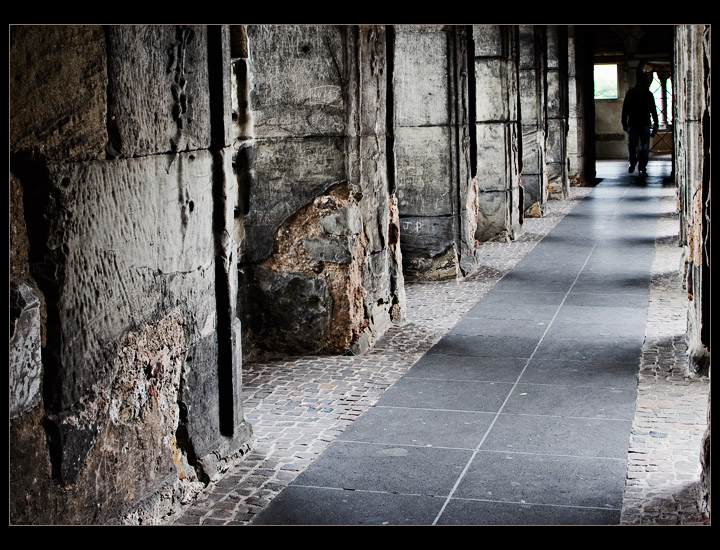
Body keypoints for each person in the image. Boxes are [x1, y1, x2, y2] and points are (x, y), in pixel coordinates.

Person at [621, 71, 659, 176]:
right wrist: (624, 122)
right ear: (641, 81)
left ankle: (642, 167)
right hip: (633, 123)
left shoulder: (648, 94)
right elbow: (625, 110)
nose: (648, 82)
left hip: (644, 124)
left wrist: (655, 124)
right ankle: (633, 163)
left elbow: (653, 110)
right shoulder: (631, 93)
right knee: (632, 146)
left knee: (644, 147)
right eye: (646, 80)